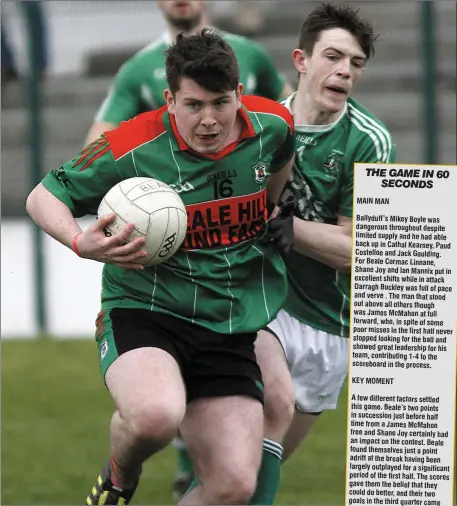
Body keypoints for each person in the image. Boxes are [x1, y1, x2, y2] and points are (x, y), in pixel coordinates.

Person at [26, 29, 296, 506]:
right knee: (155, 415)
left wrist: (277, 205)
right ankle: (120, 474)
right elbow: (44, 194)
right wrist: (77, 241)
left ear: (239, 94)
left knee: (234, 485)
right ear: (170, 99)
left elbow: (282, 159)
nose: (210, 120)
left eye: (221, 103)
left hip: (228, 322)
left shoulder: (272, 123)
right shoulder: (131, 143)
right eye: (194, 105)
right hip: (145, 307)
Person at [252, 0, 397, 494]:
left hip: (329, 324)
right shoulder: (261, 123)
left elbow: (360, 251)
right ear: (301, 61)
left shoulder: (369, 141)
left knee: (247, 477)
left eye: (355, 64)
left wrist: (281, 225)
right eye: (333, 57)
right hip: (262, 302)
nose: (344, 71)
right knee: (273, 406)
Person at [85, 0, 293, 146]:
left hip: (246, 183)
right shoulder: (138, 68)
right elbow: (98, 140)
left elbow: (292, 108)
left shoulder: (250, 53)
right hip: (178, 190)